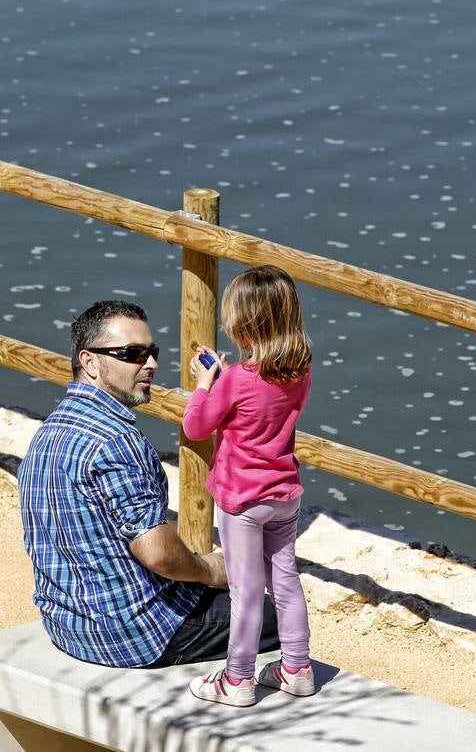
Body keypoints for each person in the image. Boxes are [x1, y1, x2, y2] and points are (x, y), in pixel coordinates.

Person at [18, 299, 279, 668]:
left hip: (66, 624)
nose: (151, 363)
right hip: (132, 636)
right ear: (89, 362)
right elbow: (156, 553)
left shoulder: (49, 431)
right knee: (272, 612)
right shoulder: (115, 440)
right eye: (133, 354)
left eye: (151, 351)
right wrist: (209, 569)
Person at [182, 265, 315, 707]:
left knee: (244, 589)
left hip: (242, 500)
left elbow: (197, 425)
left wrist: (206, 384)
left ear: (242, 325)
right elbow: (263, 407)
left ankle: (237, 678)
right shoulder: (301, 371)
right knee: (286, 581)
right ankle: (296, 667)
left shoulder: (236, 380)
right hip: (284, 494)